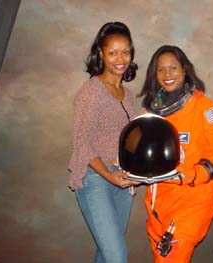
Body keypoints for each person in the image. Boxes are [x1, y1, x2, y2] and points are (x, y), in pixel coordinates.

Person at [137, 45, 213, 263]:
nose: (167, 74)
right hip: (158, 201)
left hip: (192, 199)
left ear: (184, 70)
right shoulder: (151, 112)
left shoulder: (204, 108)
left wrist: (196, 174)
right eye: (161, 69)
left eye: (173, 68)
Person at [68, 21, 139, 263]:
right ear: (101, 53)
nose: (121, 58)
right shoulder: (91, 91)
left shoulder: (128, 96)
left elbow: (130, 140)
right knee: (117, 257)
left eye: (126, 51)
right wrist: (109, 176)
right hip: (95, 180)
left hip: (123, 180)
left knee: (107, 255)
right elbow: (82, 143)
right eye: (113, 52)